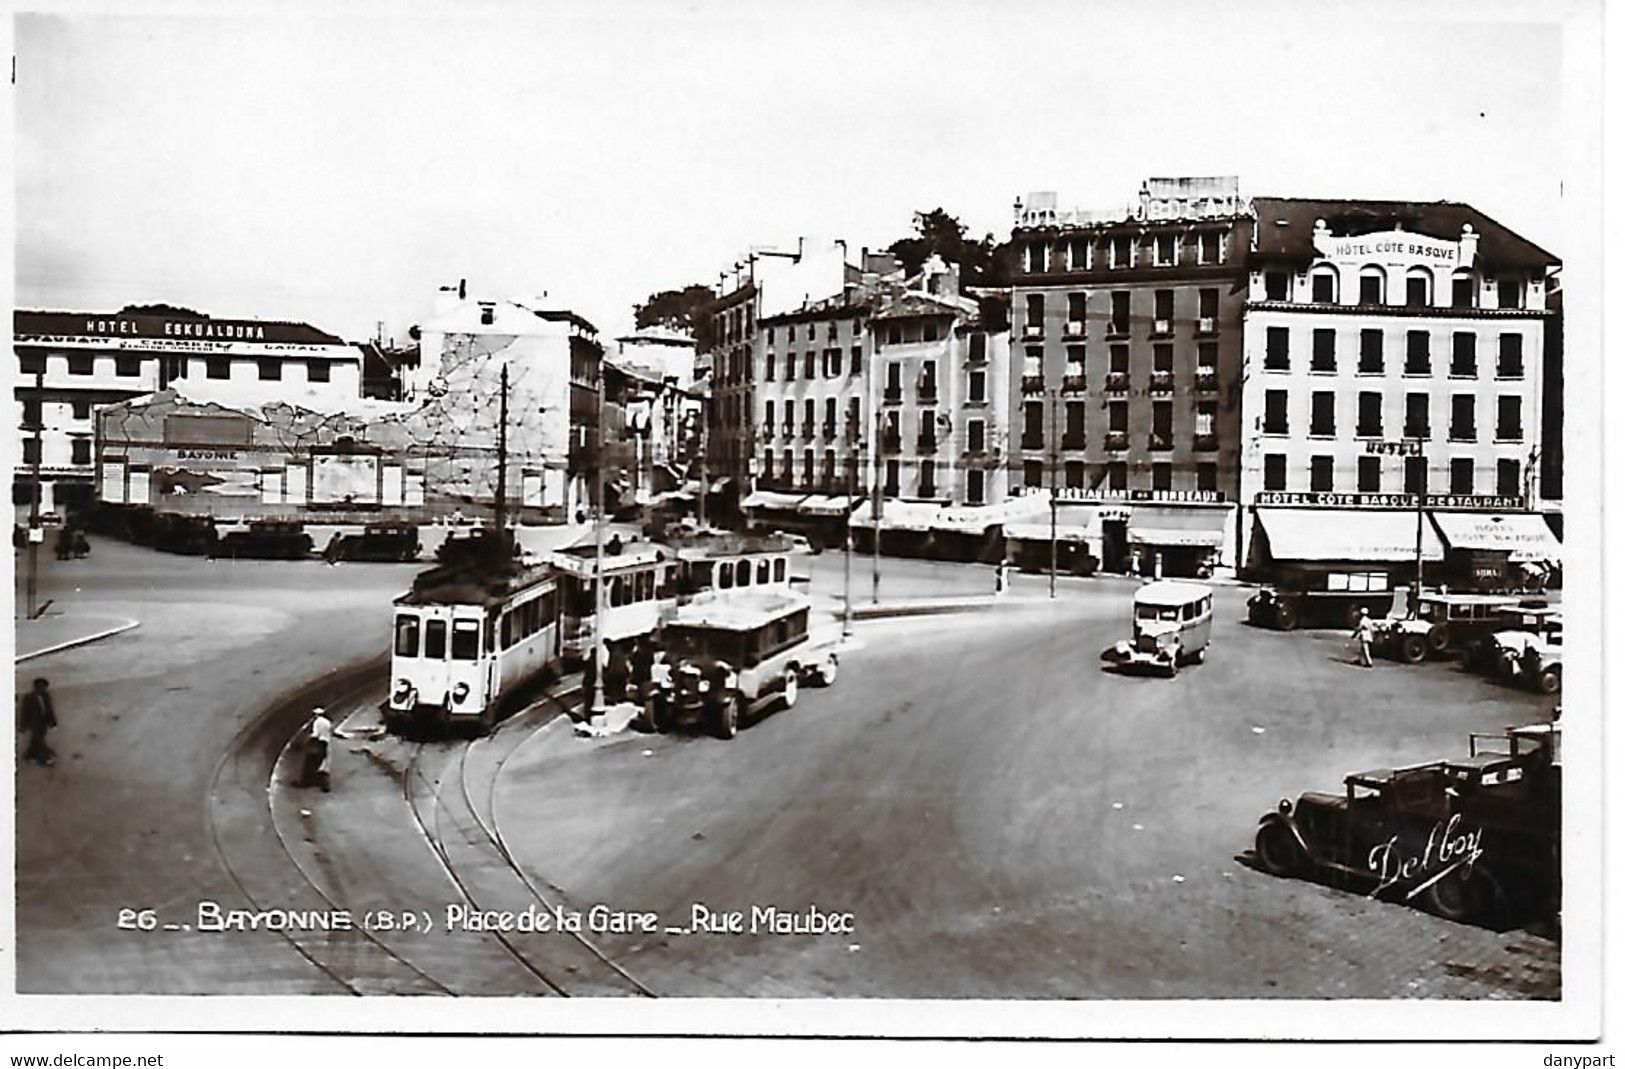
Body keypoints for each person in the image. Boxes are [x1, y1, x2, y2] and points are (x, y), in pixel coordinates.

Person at [17, 678, 57, 766]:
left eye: (44, 687)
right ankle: (45, 759)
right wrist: (23, 725)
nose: (43, 689)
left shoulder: (46, 696)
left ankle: (29, 756)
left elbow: (49, 710)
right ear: (35, 687)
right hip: (34, 723)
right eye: (41, 687)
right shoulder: (28, 697)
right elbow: (25, 712)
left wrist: (53, 723)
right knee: (39, 740)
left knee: (37, 739)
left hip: (44, 722)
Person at [299, 707, 333, 791]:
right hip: (326, 743)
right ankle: (325, 785)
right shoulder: (327, 722)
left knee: (310, 762)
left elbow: (315, 734)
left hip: (318, 743)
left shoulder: (317, 722)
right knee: (323, 764)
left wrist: (306, 741)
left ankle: (305, 782)